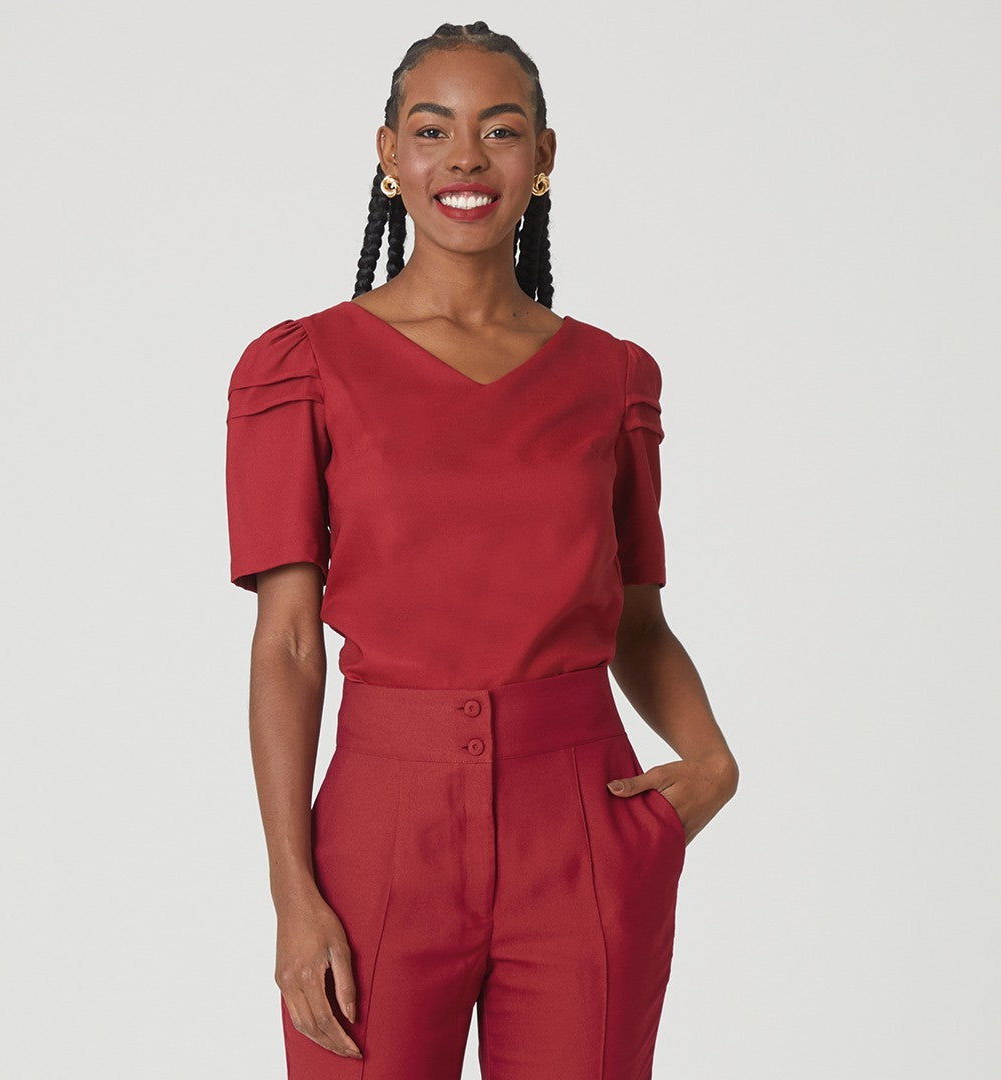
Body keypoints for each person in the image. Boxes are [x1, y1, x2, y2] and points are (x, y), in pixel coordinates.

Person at [225, 21, 739, 1080]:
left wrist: (711, 761)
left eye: (499, 131)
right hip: (381, 827)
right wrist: (291, 890)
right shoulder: (303, 366)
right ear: (389, 153)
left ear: (543, 157)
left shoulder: (611, 377)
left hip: (581, 827)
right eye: (433, 131)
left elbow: (637, 621)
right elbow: (288, 643)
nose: (465, 159)